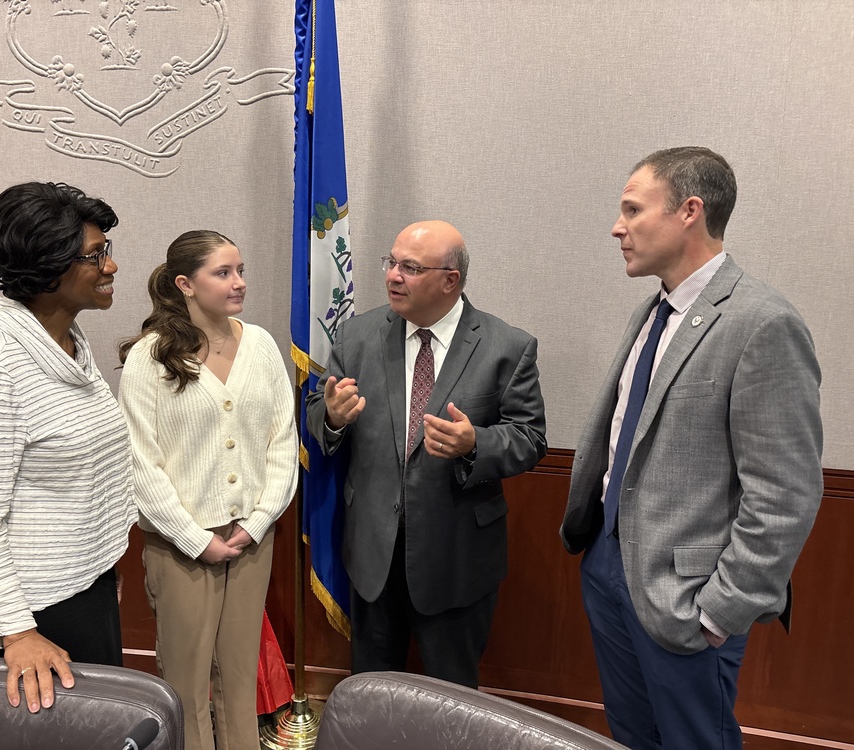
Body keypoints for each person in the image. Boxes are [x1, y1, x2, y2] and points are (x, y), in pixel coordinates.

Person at [561, 147, 823, 749]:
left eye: (632, 208)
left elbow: (784, 495)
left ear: (689, 211)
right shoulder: (652, 312)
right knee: (631, 735)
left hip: (686, 598)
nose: (617, 226)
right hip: (607, 567)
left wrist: (718, 612)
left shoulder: (763, 323)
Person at [306, 220, 547, 688]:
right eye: (391, 263)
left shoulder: (507, 347)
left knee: (451, 699)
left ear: (449, 280)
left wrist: (475, 443)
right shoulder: (357, 335)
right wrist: (332, 417)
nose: (393, 276)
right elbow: (320, 411)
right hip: (373, 554)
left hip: (455, 557)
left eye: (410, 267)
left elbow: (530, 437)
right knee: (372, 694)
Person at [0, 182, 136, 714]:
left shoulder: (67, 342)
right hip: (27, 608)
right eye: (95, 256)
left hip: (78, 583)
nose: (111, 267)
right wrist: (17, 632)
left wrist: (100, 570)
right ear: (48, 270)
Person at [117, 230, 297, 750]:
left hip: (249, 541)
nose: (238, 283)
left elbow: (281, 443)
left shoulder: (260, 345)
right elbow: (140, 461)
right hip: (180, 547)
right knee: (186, 683)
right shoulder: (150, 357)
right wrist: (196, 538)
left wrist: (256, 524)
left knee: (241, 678)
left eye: (240, 270)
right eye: (223, 273)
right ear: (185, 284)